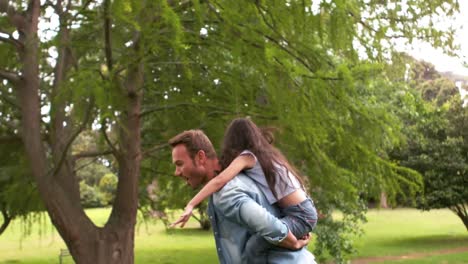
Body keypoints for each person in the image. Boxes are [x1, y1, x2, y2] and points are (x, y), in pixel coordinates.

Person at [171, 118, 318, 263]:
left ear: (200, 157)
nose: (176, 172)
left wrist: (292, 242)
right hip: (302, 214)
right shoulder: (259, 165)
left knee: (253, 248)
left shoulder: (229, 189)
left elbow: (270, 226)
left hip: (300, 216)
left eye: (179, 164)